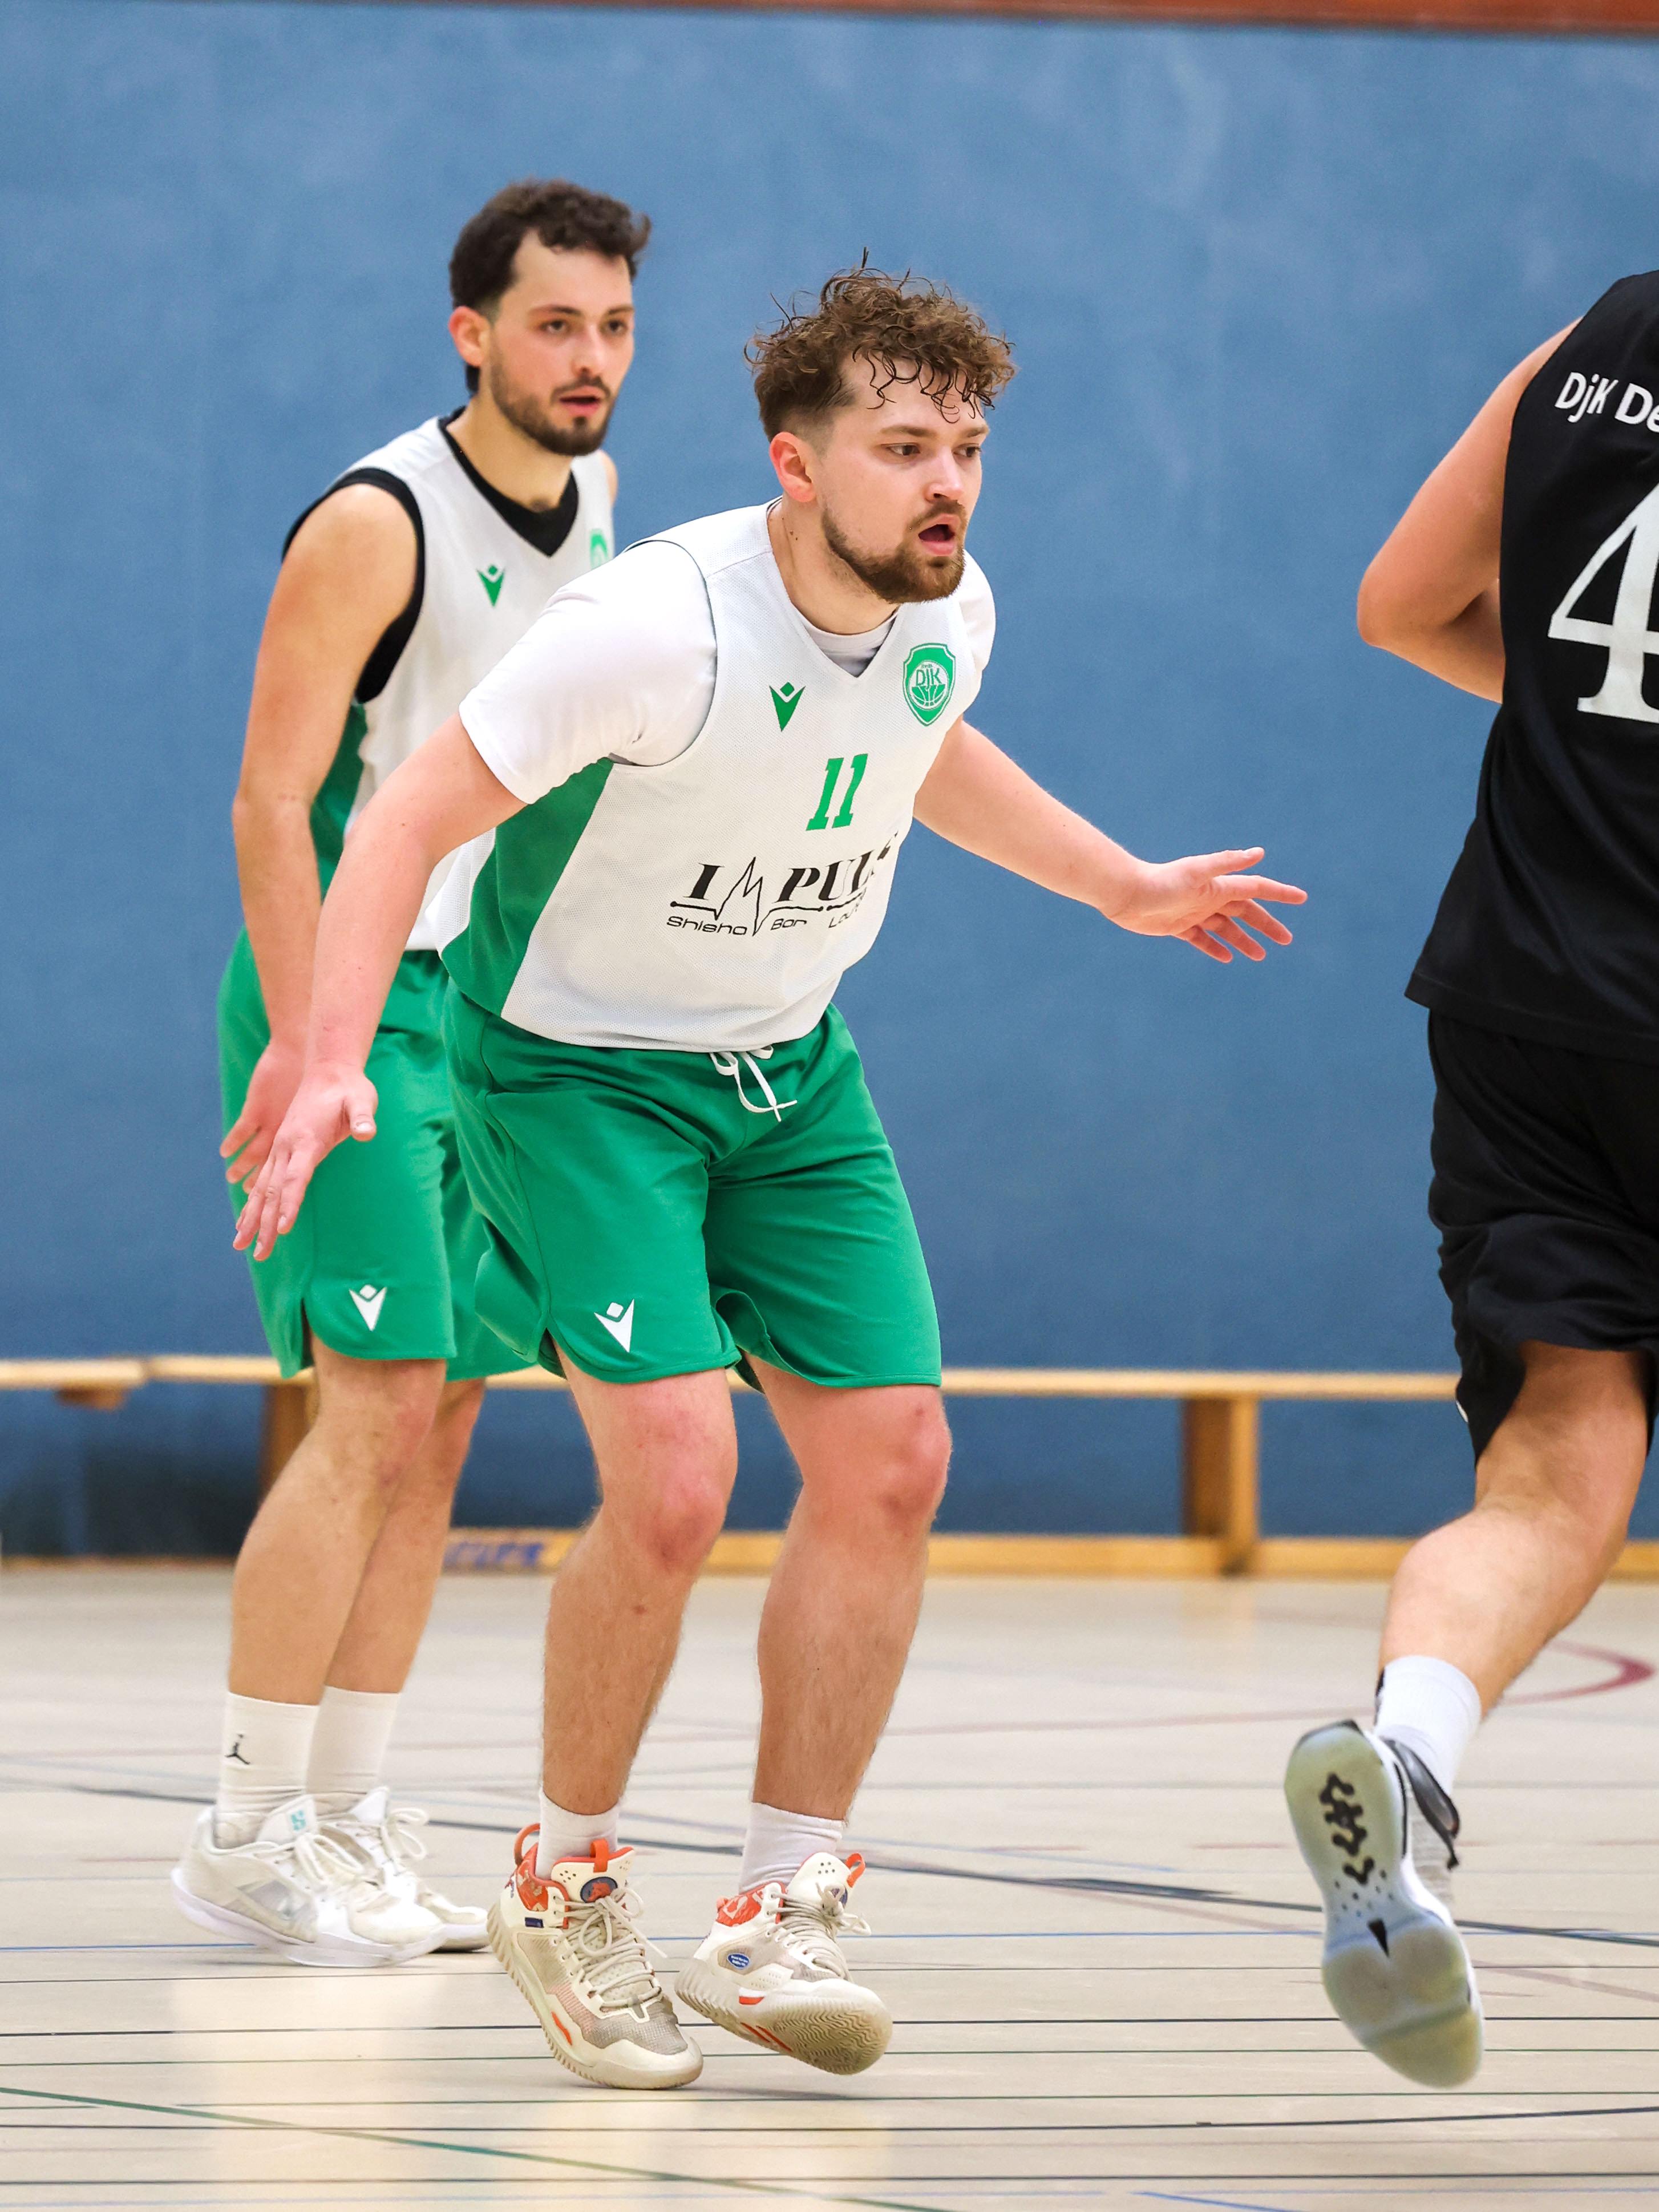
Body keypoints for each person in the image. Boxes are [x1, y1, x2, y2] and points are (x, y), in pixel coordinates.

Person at [238, 265, 1305, 2079]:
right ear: (793, 463)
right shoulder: (652, 626)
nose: (945, 480)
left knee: (893, 1461)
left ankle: (776, 1907)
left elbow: (917, 746)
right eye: (902, 447)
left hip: (788, 1069)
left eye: (966, 445)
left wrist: (1117, 883)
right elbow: (404, 814)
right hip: (573, 1071)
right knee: (676, 1480)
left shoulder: (952, 607)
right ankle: (565, 1882)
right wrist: (333, 1053)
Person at [172, 179, 650, 1967]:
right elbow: (267, 802)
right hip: (348, 1005)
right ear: (472, 334)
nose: (588, 357)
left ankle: (349, 1816)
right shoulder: (377, 524)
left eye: (612, 327)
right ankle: (242, 1829)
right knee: (369, 1403)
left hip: (485, 1011)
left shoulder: (596, 501)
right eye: (554, 324)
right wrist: (315, 1048)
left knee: (443, 1410)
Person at [1286, 278, 1659, 2088]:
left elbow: (1399, 604)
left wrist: (1592, 734)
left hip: (1523, 1012)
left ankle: (1409, 1757)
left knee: (1548, 1471)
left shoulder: (1591, 346)